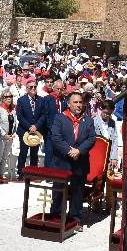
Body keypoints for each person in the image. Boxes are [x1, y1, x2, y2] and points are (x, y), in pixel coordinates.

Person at [47, 91, 97, 223]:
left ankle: (75, 218)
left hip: (80, 161)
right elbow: (56, 138)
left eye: (80, 102)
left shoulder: (89, 120)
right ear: (68, 103)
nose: (78, 105)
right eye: (75, 102)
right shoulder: (60, 118)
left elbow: (92, 139)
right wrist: (70, 151)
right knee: (58, 190)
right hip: (62, 161)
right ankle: (56, 216)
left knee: (77, 191)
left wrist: (79, 151)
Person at [15, 80, 42, 176]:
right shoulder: (21, 100)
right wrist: (29, 126)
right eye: (31, 87)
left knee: (34, 153)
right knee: (23, 152)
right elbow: (20, 116)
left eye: (35, 87)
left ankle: (33, 173)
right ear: (27, 89)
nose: (33, 89)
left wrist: (36, 126)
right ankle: (21, 173)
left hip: (36, 131)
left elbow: (43, 115)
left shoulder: (40, 100)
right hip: (24, 130)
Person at [0, 90, 17, 181]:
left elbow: (15, 123)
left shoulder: (13, 110)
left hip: (10, 137)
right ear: (2, 98)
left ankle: (1, 175)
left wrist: (12, 134)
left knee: (5, 157)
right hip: (1, 137)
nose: (9, 98)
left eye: (10, 96)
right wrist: (4, 134)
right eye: (6, 97)